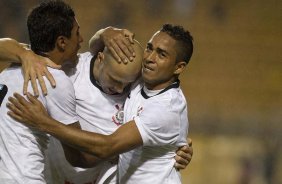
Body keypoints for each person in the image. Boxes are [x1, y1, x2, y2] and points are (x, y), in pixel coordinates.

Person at [7, 23, 193, 183]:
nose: (121, 90)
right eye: (150, 48)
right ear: (101, 58)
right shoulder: (73, 71)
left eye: (161, 55)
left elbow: (106, 147)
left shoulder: (162, 105)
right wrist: (105, 33)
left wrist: (44, 122)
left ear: (179, 67)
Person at [0, 0, 83, 183]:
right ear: (62, 42)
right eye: (77, 33)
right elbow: (78, 155)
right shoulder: (55, 80)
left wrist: (24, 54)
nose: (81, 40)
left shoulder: (11, 67)